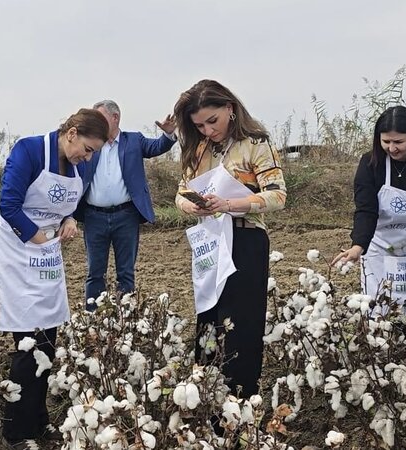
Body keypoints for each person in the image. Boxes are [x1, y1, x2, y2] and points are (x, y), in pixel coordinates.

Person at [0, 108, 108, 449]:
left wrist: (70, 220)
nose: (88, 156)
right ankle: (16, 430)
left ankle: (37, 418)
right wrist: (35, 235)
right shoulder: (30, 150)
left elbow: (70, 205)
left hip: (46, 255)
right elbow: (8, 205)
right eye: (87, 148)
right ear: (71, 133)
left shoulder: (76, 163)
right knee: (27, 341)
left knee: (48, 339)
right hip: (16, 250)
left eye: (93, 152)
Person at [173, 79, 286, 398]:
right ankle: (206, 395)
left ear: (230, 109)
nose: (208, 130)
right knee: (208, 317)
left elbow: (278, 195)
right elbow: (181, 193)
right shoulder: (198, 148)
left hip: (246, 241)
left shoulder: (255, 143)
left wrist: (231, 205)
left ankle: (240, 397)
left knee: (242, 324)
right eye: (199, 125)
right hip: (210, 240)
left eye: (213, 121)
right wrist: (192, 205)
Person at [332, 106, 406, 321]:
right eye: (386, 142)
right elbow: (366, 209)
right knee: (381, 312)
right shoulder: (371, 163)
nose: (392, 148)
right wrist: (357, 245)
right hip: (382, 247)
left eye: (398, 142)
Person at [76, 100, 176, 309]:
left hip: (126, 215)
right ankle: (93, 322)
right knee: (95, 272)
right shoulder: (91, 145)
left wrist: (167, 135)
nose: (96, 123)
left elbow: (156, 147)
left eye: (100, 118)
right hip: (94, 217)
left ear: (115, 118)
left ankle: (125, 320)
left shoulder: (134, 140)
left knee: (126, 272)